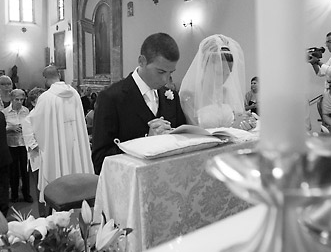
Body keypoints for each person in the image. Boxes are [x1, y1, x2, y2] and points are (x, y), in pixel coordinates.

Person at [91, 33, 187, 174]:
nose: (166, 80)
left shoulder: (171, 97)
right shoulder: (111, 98)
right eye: (160, 72)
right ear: (142, 61)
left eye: (170, 72)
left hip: (167, 180)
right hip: (130, 187)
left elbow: (182, 139)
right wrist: (146, 142)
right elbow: (100, 161)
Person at [30, 66, 92, 211]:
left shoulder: (46, 97)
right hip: (76, 142)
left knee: (60, 168)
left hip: (57, 145)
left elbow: (37, 123)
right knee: (76, 168)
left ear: (45, 78)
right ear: (59, 74)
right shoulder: (74, 93)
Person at [180, 34, 255, 130]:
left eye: (228, 74)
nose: (223, 78)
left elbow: (237, 119)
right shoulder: (188, 95)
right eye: (219, 73)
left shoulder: (226, 92)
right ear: (204, 65)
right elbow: (193, 130)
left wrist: (245, 122)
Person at [3, 88, 33, 203]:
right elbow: (1, 128)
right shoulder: (5, 112)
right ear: (11, 99)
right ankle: (14, 194)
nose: (19, 102)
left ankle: (27, 194)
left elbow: (30, 125)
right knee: (13, 170)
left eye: (22, 99)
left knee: (25, 171)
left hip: (24, 143)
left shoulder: (26, 111)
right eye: (17, 99)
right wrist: (10, 128)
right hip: (11, 144)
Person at [308, 30, 331, 132]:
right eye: (326, 42)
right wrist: (313, 63)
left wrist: (318, 61)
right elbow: (321, 72)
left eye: (330, 42)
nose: (327, 45)